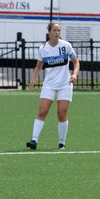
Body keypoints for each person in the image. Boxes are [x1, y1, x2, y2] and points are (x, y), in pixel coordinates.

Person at [26, 22, 80, 150]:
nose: (57, 33)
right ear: (49, 32)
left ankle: (62, 143)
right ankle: (34, 140)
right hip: (49, 85)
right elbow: (38, 66)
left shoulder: (66, 45)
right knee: (42, 111)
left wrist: (74, 74)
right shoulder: (43, 49)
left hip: (65, 85)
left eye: (59, 30)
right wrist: (33, 79)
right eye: (55, 30)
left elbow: (76, 62)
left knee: (61, 113)